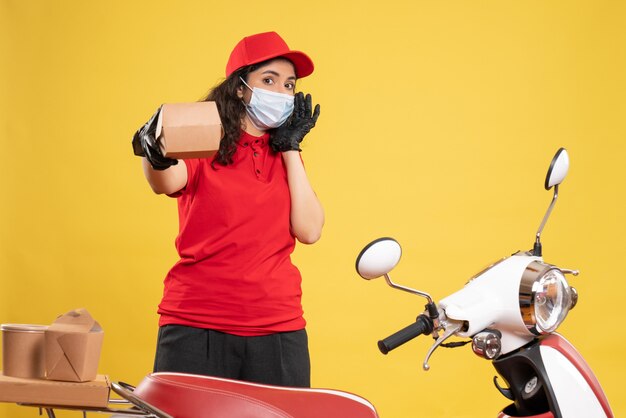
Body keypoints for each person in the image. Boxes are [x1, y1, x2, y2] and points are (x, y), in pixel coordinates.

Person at [133, 31, 323, 388]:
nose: (282, 93)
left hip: (277, 327)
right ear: (240, 88)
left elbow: (310, 230)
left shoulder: (283, 154)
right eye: (269, 80)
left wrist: (290, 148)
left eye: (289, 85)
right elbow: (166, 181)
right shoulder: (205, 136)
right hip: (196, 324)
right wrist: (153, 151)